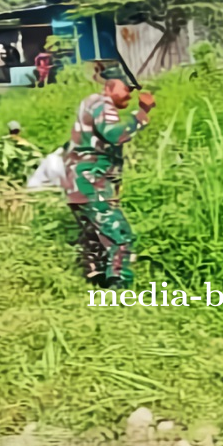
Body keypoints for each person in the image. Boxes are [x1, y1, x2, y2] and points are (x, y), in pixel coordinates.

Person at [61, 67, 155, 288]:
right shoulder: (103, 104)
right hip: (90, 182)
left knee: (94, 236)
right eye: (126, 89)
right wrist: (142, 114)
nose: (129, 95)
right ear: (110, 87)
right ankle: (119, 288)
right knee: (120, 235)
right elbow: (114, 135)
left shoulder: (91, 103)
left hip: (77, 181)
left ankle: (97, 281)